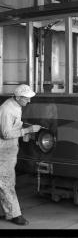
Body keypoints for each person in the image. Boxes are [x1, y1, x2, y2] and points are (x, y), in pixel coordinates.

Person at [0, 84, 41, 226]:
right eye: (26, 98)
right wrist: (27, 130)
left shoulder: (16, 106)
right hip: (3, 151)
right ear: (18, 97)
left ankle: (7, 211)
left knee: (4, 182)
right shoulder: (7, 109)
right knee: (7, 182)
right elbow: (6, 134)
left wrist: (23, 126)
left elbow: (12, 126)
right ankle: (15, 215)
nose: (29, 101)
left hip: (9, 150)